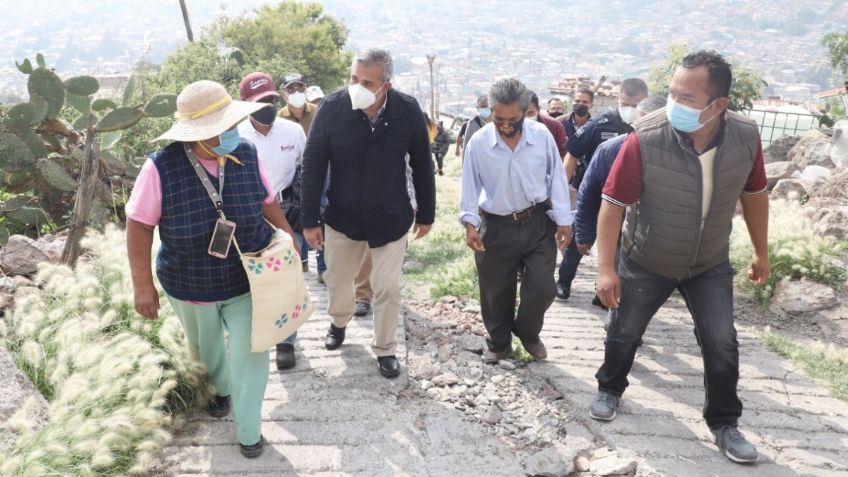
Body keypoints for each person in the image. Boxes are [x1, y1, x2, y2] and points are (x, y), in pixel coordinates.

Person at [590, 51, 769, 465]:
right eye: (671, 93)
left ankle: (725, 423)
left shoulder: (745, 136)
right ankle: (609, 388)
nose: (674, 105)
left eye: (686, 98)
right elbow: (612, 204)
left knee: (721, 341)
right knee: (624, 329)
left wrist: (762, 251)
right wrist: (605, 269)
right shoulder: (645, 138)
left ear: (718, 104)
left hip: (709, 263)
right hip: (647, 259)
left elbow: (755, 195)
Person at [126, 80, 296, 458]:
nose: (229, 134)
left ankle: (249, 430)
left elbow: (267, 200)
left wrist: (287, 235)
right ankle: (219, 390)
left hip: (247, 277)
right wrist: (143, 286)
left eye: (231, 125)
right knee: (207, 350)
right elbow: (138, 225)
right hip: (189, 282)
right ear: (196, 136)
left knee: (253, 351)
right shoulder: (160, 167)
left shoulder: (248, 155)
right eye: (219, 130)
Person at [301, 48, 436, 378]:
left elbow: (422, 163)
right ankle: (339, 321)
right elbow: (313, 164)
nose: (357, 86)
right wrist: (309, 220)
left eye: (367, 81)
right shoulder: (332, 109)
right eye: (353, 78)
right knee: (337, 281)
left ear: (385, 86)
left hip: (391, 217)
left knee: (387, 286)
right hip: (343, 217)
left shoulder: (407, 110)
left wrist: (427, 214)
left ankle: (385, 348)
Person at [459, 78, 573, 364]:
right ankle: (498, 343)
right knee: (495, 289)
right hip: (496, 225)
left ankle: (528, 332)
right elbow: (469, 185)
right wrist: (470, 224)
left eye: (513, 118)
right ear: (491, 112)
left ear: (525, 112)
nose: (506, 124)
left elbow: (556, 178)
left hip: (536, 222)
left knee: (543, 287)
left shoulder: (541, 136)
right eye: (499, 118)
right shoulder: (479, 142)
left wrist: (563, 220)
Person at [237, 71, 307, 371]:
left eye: (269, 100)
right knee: (255, 278)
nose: (265, 106)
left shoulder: (293, 132)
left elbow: (306, 169)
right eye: (258, 102)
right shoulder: (236, 136)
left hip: (289, 210)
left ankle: (286, 341)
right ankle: (258, 333)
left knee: (289, 277)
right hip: (251, 215)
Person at [557, 78, 647, 303]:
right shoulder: (601, 123)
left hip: (629, 199)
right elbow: (573, 153)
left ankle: (604, 293)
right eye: (627, 104)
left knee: (620, 248)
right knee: (579, 239)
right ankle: (563, 283)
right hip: (595, 194)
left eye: (636, 106)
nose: (631, 111)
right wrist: (559, 191)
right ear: (618, 99)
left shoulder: (650, 126)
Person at [279, 72, 320, 272]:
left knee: (319, 214)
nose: (296, 92)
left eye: (300, 88)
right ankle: (301, 263)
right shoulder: (278, 117)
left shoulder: (318, 112)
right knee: (295, 217)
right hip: (289, 177)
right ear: (283, 93)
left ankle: (323, 268)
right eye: (291, 89)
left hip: (317, 172)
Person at [526, 92, 567, 159]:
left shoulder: (556, 126)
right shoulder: (511, 126)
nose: (526, 117)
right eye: (522, 113)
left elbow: (562, 155)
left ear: (538, 109)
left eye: (530, 113)